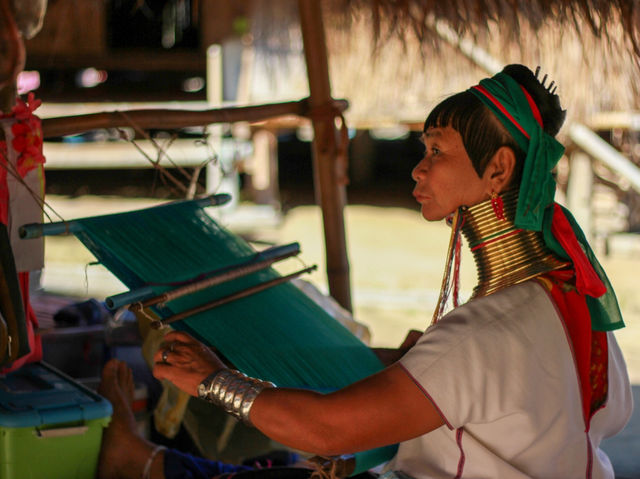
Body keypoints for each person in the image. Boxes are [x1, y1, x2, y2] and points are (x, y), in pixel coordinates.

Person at [113, 64, 632, 479]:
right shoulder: (575, 300)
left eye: (435, 150)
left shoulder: (484, 333)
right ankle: (141, 460)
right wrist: (413, 372)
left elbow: (325, 431)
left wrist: (212, 379)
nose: (418, 168)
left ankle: (138, 461)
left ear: (497, 169)